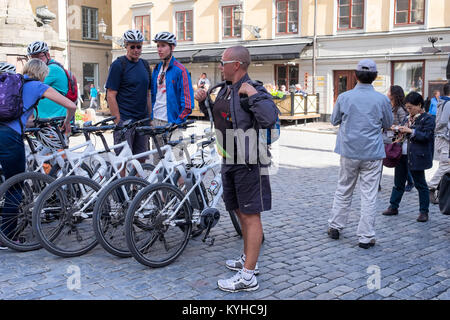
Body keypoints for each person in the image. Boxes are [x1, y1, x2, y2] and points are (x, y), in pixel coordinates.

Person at [195, 45, 278, 292]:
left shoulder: (253, 89)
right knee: (241, 212)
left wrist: (252, 94)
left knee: (251, 216)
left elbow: (270, 119)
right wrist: (204, 103)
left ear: (237, 65)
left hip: (249, 162)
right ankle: (246, 259)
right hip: (229, 159)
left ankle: (248, 276)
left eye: (223, 62)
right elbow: (218, 117)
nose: (220, 67)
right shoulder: (225, 90)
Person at [0, 59, 76, 249]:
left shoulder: (12, 83)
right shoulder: (37, 86)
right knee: (15, 186)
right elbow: (71, 105)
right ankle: (6, 237)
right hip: (9, 139)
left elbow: (18, 114)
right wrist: (67, 122)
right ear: (43, 73)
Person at [327, 59, 393, 249]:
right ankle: (365, 236)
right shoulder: (382, 99)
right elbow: (388, 123)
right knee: (369, 195)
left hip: (349, 150)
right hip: (372, 152)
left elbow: (333, 120)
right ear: (375, 77)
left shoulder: (345, 97)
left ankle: (335, 226)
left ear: (355, 75)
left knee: (343, 188)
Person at [382, 92, 435, 222]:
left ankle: (424, 212)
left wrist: (411, 131)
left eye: (410, 107)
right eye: (407, 107)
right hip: (402, 154)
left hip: (417, 156)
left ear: (419, 105)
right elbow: (403, 135)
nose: (408, 110)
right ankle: (393, 206)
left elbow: (427, 136)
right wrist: (397, 130)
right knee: (398, 183)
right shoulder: (407, 118)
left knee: (420, 184)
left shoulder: (427, 118)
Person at [105, 29, 152, 157]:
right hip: (125, 120)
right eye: (132, 47)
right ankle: (123, 178)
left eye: (139, 46)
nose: (136, 50)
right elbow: (111, 94)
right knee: (123, 159)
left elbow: (148, 94)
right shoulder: (119, 65)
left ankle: (135, 178)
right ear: (126, 46)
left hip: (142, 120)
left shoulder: (145, 65)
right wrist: (118, 121)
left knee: (142, 157)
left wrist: (150, 117)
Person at [150, 31, 194, 164]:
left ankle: (179, 185)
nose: (159, 49)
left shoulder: (180, 70)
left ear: (172, 47)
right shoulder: (157, 69)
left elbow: (187, 102)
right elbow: (153, 96)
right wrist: (151, 118)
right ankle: (160, 186)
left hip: (173, 123)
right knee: (158, 164)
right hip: (156, 122)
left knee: (176, 163)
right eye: (158, 46)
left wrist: (177, 122)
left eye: (163, 45)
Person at [27, 41, 69, 119]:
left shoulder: (52, 69)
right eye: (33, 58)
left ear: (48, 55)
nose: (37, 61)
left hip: (56, 119)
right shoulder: (44, 69)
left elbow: (32, 87)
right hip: (45, 118)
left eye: (40, 57)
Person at [386, 85, 415, 191]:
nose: (387, 92)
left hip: (398, 138)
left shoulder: (400, 109)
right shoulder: (391, 106)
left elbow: (406, 125)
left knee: (400, 160)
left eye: (389, 91)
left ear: (393, 94)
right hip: (392, 136)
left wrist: (392, 128)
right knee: (398, 160)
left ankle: (410, 181)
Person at [428, 83, 450, 204]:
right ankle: (431, 187)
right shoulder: (448, 103)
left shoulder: (443, 102)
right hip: (444, 139)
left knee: (446, 165)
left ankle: (441, 190)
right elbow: (443, 122)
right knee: (446, 165)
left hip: (443, 139)